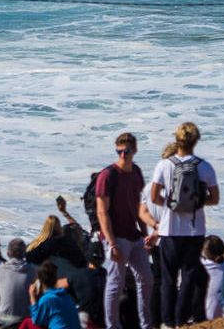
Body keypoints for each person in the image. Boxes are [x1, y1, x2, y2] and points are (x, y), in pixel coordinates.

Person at [146, 122, 218, 329]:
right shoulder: (204, 166)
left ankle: (166, 323)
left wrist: (171, 206)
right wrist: (195, 204)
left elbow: (153, 196)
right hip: (195, 229)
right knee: (188, 276)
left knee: (168, 279)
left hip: (170, 229)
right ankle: (180, 321)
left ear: (176, 139)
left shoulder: (164, 165)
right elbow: (215, 198)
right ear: (196, 141)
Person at [92, 132, 151, 329]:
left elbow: (138, 205)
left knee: (147, 279)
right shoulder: (107, 175)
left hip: (134, 235)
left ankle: (146, 324)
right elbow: (102, 212)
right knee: (115, 282)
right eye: (119, 151)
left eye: (126, 151)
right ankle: (113, 326)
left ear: (134, 150)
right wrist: (112, 242)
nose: (122, 155)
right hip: (115, 236)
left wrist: (145, 233)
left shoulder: (136, 172)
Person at [0, 241, 34, 328]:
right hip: (26, 316)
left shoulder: (0, 269)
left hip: (4, 317)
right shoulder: (33, 270)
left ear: (8, 253)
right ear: (24, 253)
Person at [26, 262, 78, 329]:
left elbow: (37, 321)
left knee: (26, 322)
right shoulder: (66, 296)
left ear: (39, 281)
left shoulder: (47, 299)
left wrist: (32, 297)